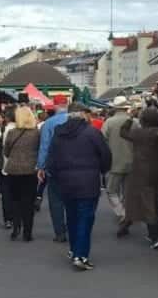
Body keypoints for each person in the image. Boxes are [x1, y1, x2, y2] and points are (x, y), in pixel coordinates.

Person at [46, 103, 112, 270]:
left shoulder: (58, 133)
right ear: (82, 114)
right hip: (88, 181)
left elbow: (51, 159)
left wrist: (56, 175)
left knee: (72, 216)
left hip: (65, 182)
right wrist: (102, 170)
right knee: (85, 218)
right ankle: (80, 255)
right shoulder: (92, 133)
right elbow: (105, 156)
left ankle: (74, 249)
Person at [117, 106, 158, 249]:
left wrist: (130, 118)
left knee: (143, 204)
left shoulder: (138, 133)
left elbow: (122, 132)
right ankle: (152, 232)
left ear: (143, 120)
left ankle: (155, 236)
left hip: (140, 174)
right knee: (157, 202)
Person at [2, 106, 41, 241]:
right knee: (28, 202)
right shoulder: (36, 133)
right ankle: (27, 233)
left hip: (13, 170)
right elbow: (40, 150)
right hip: (30, 170)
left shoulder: (12, 132)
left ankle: (16, 228)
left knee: (15, 200)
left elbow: (6, 151)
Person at [37, 94, 71, 242]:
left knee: (56, 200)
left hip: (55, 166)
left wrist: (40, 167)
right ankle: (72, 227)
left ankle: (60, 232)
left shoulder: (48, 124)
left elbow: (44, 147)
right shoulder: (77, 121)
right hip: (74, 166)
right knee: (72, 200)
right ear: (67, 104)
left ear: (55, 106)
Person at [102, 96, 135, 220]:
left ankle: (121, 212)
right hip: (132, 162)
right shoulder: (135, 122)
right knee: (128, 191)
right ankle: (127, 211)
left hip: (114, 162)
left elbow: (102, 140)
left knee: (111, 190)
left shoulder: (109, 122)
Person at [0, 107, 16, 230]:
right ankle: (18, 217)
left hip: (4, 166)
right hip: (20, 168)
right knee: (18, 193)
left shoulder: (1, 130)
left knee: (6, 193)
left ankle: (8, 219)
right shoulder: (22, 129)